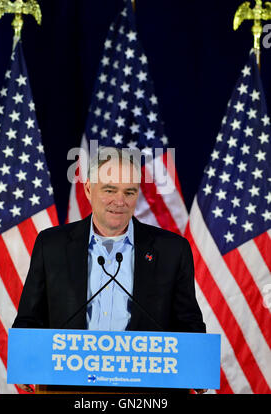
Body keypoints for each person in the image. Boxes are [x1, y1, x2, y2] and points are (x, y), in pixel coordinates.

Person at [13, 147, 206, 393]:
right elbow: (30, 318)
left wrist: (198, 369)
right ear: (88, 189)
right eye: (109, 190)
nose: (119, 201)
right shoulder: (51, 245)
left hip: (146, 392)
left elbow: (188, 322)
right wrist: (24, 365)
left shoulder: (172, 250)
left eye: (129, 192)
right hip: (70, 387)